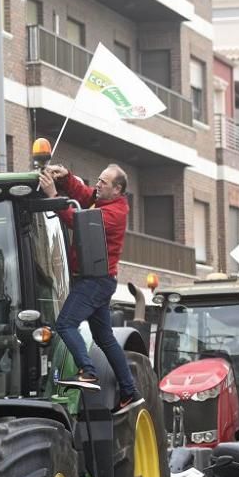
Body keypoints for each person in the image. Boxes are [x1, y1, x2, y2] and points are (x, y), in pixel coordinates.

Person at [38, 162, 143, 411]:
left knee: (65, 324)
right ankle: (130, 391)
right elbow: (84, 194)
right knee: (104, 337)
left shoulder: (114, 214)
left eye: (103, 182)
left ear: (117, 189)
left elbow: (79, 221)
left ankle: (88, 371)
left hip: (95, 281)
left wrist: (53, 196)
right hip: (98, 279)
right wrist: (66, 177)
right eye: (98, 179)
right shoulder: (103, 201)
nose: (97, 185)